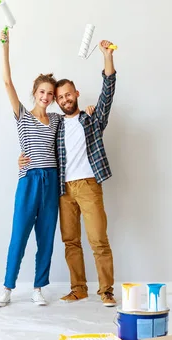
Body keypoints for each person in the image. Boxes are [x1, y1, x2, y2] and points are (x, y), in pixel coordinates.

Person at [18, 39, 118, 307]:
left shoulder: (92, 118)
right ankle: (79, 288)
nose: (64, 99)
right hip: (62, 189)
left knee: (98, 240)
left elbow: (107, 92)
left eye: (68, 94)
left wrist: (107, 57)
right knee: (70, 242)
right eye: (60, 97)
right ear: (57, 102)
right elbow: (36, 141)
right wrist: (22, 158)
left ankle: (106, 291)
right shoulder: (57, 124)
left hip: (88, 185)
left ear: (76, 93)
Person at [0, 28, 62, 308]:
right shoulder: (22, 115)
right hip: (29, 180)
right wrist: (5, 47)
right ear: (35, 92)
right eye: (42, 91)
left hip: (52, 180)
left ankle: (38, 287)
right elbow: (7, 82)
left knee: (46, 237)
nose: (46, 96)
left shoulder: (57, 120)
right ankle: (8, 288)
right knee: (19, 236)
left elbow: (76, 123)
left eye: (50, 94)